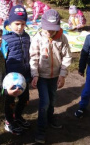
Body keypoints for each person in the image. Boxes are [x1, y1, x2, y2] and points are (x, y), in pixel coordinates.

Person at [30, 9, 72, 144]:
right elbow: (34, 57)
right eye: (47, 29)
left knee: (53, 100)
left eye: (53, 29)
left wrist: (63, 75)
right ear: (42, 26)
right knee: (45, 102)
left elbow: (66, 57)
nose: (50, 32)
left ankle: (50, 118)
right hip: (42, 76)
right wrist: (35, 74)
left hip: (55, 76)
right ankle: (41, 130)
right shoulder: (37, 38)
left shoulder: (62, 38)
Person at [0, 5, 31, 135]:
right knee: (10, 101)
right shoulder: (5, 39)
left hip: (24, 75)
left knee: (24, 99)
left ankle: (18, 116)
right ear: (10, 22)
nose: (20, 27)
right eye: (17, 23)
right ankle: (9, 121)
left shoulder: (27, 37)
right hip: (10, 78)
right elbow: (1, 59)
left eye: (23, 24)